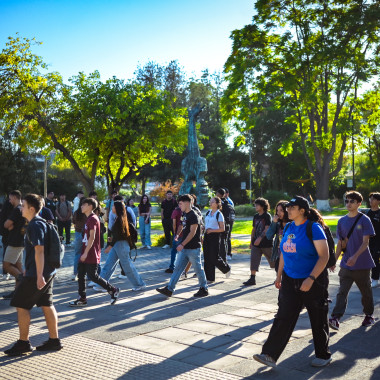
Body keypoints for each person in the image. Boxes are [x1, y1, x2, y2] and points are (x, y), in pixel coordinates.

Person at [253, 195, 331, 368]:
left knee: (317, 318)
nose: (287, 210)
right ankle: (269, 355)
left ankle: (323, 355)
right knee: (283, 316)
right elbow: (283, 254)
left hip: (313, 279)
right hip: (289, 278)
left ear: (302, 211)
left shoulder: (313, 228)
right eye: (287, 208)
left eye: (291, 208)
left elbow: (324, 256)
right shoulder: (288, 226)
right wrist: (279, 275)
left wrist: (311, 279)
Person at [4, 193, 62, 356]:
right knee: (47, 304)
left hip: (38, 274)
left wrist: (38, 276)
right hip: (47, 271)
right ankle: (54, 340)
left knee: (21, 305)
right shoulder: (40, 223)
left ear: (31, 208)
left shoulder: (35, 225)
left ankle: (23, 343)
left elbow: (39, 251)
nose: (20, 208)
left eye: (23, 205)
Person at [329, 191, 375, 330]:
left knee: (366, 292)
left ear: (359, 204)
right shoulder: (341, 221)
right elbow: (340, 244)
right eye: (347, 201)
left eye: (352, 201)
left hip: (362, 264)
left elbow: (365, 242)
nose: (348, 204)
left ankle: (369, 315)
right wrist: (334, 261)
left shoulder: (364, 219)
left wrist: (355, 256)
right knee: (342, 292)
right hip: (346, 265)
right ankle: (335, 317)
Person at [69, 198, 120, 307]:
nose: (81, 206)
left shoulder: (92, 219)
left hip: (91, 253)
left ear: (90, 206)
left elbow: (92, 237)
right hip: (86, 251)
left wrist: (86, 253)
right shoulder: (89, 219)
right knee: (81, 274)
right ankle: (82, 298)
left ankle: (113, 290)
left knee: (93, 276)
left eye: (84, 205)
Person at [156, 194, 209, 298]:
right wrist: (177, 235)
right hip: (185, 248)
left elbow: (192, 232)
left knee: (198, 269)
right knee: (178, 268)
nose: (179, 205)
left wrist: (182, 244)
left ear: (187, 203)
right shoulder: (185, 214)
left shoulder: (193, 215)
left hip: (193, 248)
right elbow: (181, 225)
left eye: (180, 203)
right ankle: (170, 289)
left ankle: (204, 289)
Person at [94, 201, 146, 292]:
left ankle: (139, 284)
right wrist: (112, 240)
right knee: (109, 264)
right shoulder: (118, 218)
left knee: (128, 267)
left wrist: (110, 246)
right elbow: (119, 234)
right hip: (118, 244)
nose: (112, 207)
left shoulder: (120, 219)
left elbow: (120, 236)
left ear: (117, 208)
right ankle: (101, 284)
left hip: (121, 245)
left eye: (113, 206)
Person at [243, 197, 274, 286]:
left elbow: (267, 228)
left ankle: (279, 276)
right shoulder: (256, 216)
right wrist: (251, 241)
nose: (255, 206)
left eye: (257, 205)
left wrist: (260, 238)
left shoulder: (267, 216)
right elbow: (254, 229)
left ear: (263, 206)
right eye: (255, 205)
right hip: (255, 243)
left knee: (273, 261)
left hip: (266, 243)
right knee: (254, 260)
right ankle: (252, 278)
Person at [2, 190, 26, 300]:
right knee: (17, 266)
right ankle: (18, 291)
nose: (9, 200)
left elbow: (7, 224)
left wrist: (9, 225)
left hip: (15, 242)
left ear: (15, 197)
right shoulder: (22, 208)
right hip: (20, 241)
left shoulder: (17, 210)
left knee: (6, 265)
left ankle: (23, 280)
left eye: (10, 198)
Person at [203, 197, 231, 283]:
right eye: (210, 201)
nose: (210, 203)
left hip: (215, 236)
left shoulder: (219, 214)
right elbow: (206, 224)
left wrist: (211, 230)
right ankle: (209, 278)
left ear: (217, 204)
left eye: (212, 202)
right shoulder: (208, 212)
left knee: (214, 257)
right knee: (206, 257)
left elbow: (222, 229)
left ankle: (226, 268)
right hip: (206, 236)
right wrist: (204, 228)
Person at [266, 200, 290, 273]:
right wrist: (274, 223)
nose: (278, 213)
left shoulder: (292, 224)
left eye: (281, 210)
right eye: (277, 210)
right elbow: (269, 236)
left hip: (290, 255)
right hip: (279, 255)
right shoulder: (277, 224)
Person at [366, 192, 380, 287]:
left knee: (376, 258)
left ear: (378, 201)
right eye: (370, 198)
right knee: (373, 259)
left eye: (373, 199)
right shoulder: (367, 213)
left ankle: (375, 278)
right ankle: (374, 278)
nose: (371, 200)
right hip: (369, 241)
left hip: (378, 240)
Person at [72, 197, 87, 281]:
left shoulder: (76, 212)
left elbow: (73, 221)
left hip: (78, 233)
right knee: (87, 253)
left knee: (77, 254)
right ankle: (88, 274)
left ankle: (75, 273)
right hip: (85, 233)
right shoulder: (87, 213)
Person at [164, 205, 183, 274]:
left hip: (178, 234)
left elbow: (174, 224)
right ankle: (181, 268)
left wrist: (175, 233)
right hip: (185, 234)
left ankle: (172, 267)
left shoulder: (176, 211)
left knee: (174, 250)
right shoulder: (188, 211)